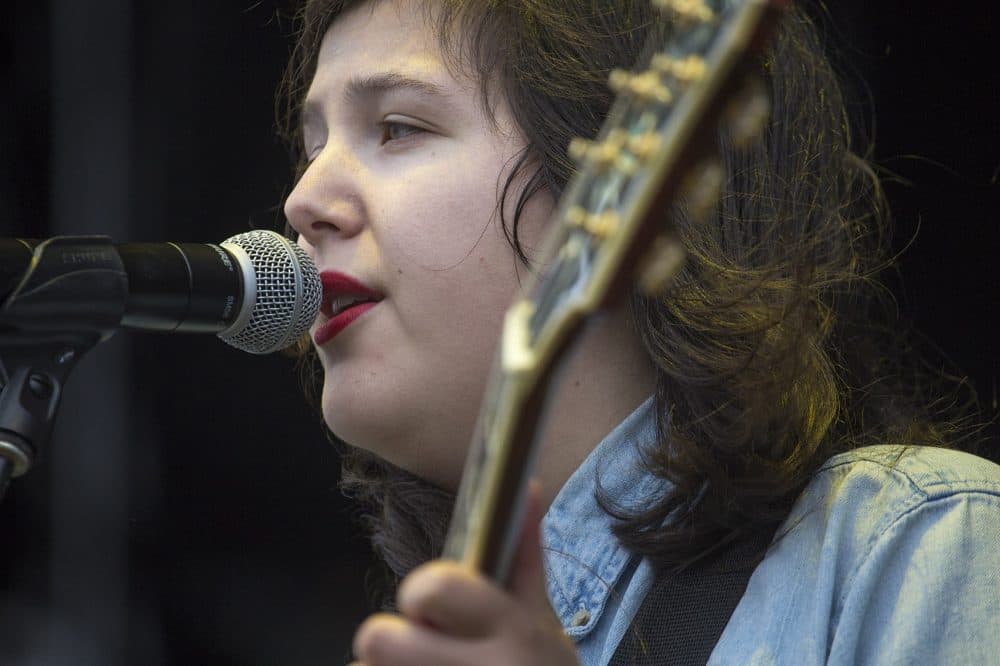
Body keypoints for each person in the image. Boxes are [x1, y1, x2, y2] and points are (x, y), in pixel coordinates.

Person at [278, 0, 1000, 663]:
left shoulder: (914, 547)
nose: (302, 199)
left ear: (619, 181)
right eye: (314, 151)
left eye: (398, 128)